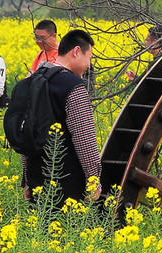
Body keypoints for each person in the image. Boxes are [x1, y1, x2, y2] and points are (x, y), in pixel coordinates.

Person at [22, 29, 102, 207]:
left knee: (42, 231)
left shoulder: (34, 80)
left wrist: (27, 177)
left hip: (37, 177)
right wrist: (93, 178)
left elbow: (25, 135)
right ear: (76, 52)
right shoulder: (74, 87)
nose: (89, 65)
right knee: (68, 232)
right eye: (89, 58)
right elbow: (84, 138)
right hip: (68, 181)